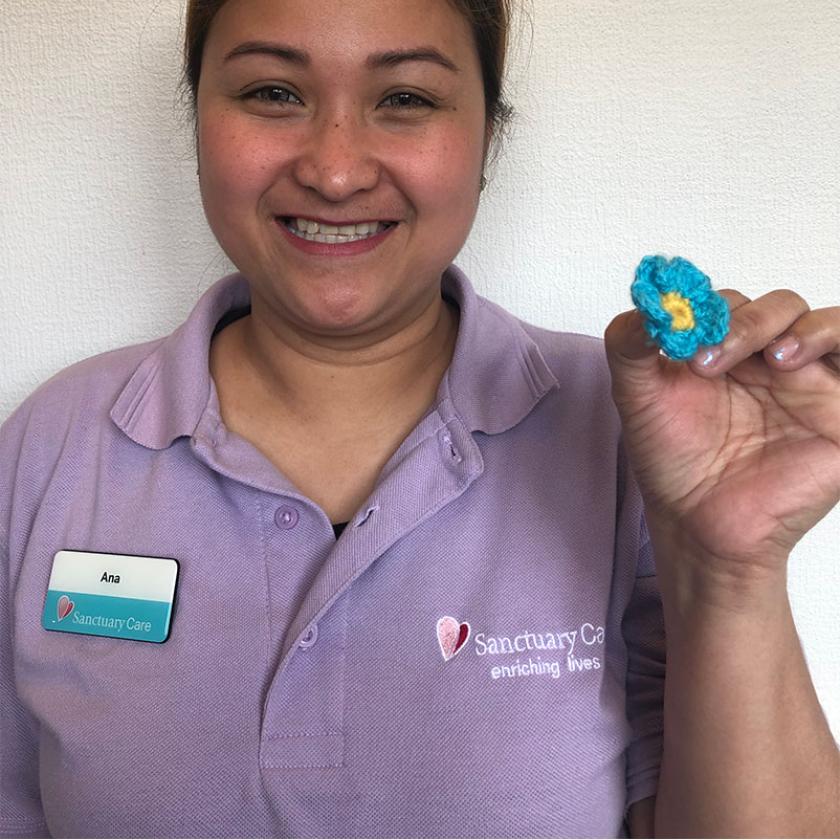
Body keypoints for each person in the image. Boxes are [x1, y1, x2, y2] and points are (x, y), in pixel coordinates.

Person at [1, 0, 838, 836]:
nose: (335, 171)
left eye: (405, 99)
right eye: (271, 93)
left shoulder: (639, 431)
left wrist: (733, 575)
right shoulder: (53, 446)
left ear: (488, 140)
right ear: (196, 123)